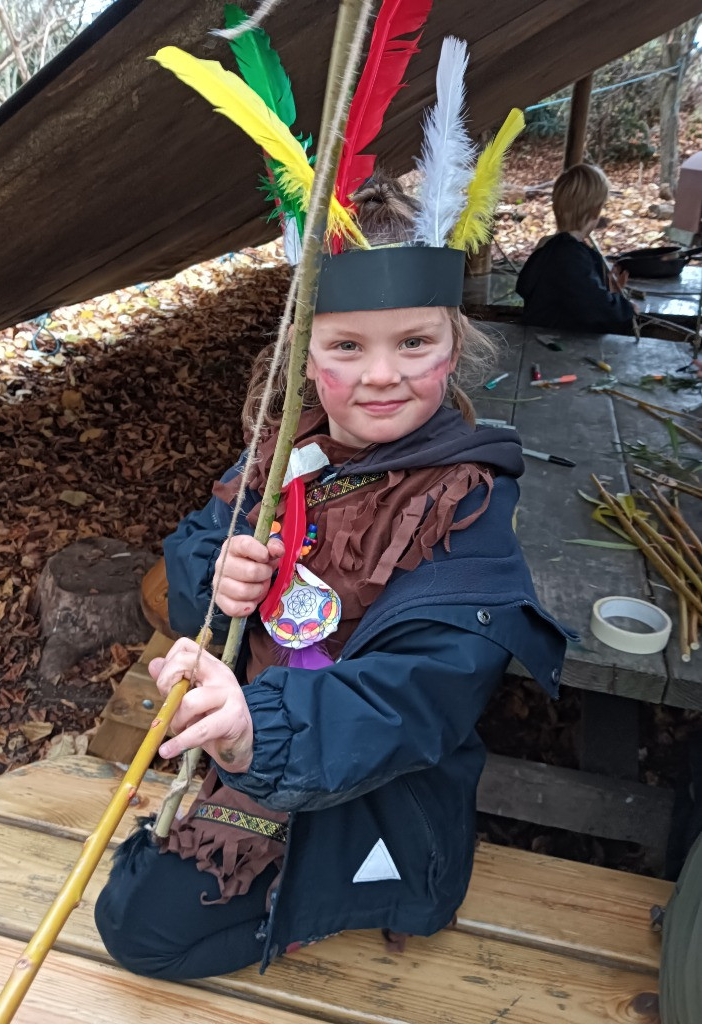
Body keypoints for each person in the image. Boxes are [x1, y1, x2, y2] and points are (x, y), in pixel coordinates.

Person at [93, 174, 574, 980]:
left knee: (141, 930)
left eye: (412, 343)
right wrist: (217, 583)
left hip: (375, 786)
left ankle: (347, 895)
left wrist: (257, 731)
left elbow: (421, 693)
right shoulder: (283, 456)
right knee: (129, 912)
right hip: (254, 756)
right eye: (347, 346)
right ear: (305, 356)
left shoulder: (464, 503)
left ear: (453, 346)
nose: (380, 376)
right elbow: (188, 569)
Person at [515, 163, 636, 334]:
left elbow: (572, 293)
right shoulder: (571, 256)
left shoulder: (549, 247)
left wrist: (610, 293)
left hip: (536, 339)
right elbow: (595, 309)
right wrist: (626, 308)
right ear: (595, 212)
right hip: (555, 346)